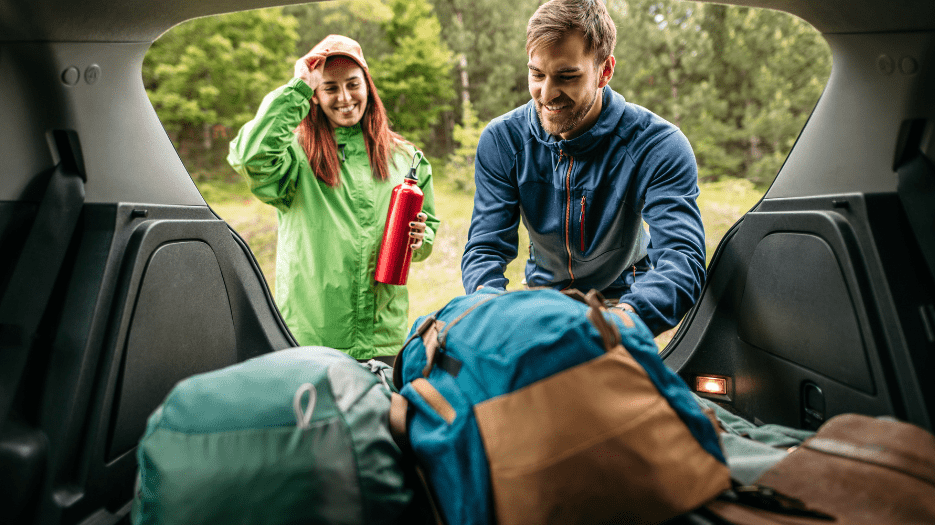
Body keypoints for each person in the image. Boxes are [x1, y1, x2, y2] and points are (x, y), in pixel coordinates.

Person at [461, 0, 705, 336]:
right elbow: (486, 248)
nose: (546, 94)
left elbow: (682, 260)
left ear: (605, 71)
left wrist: (618, 323)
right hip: (543, 300)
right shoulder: (502, 140)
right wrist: (490, 312)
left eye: (567, 76)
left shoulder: (657, 144)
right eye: (536, 73)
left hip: (626, 301)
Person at [228, 35, 439, 361]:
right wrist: (297, 87)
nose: (344, 97)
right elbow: (250, 156)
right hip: (311, 339)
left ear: (368, 86)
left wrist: (419, 238)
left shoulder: (406, 158)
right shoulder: (295, 156)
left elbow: (427, 236)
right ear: (314, 96)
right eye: (329, 88)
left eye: (353, 84)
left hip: (384, 339)